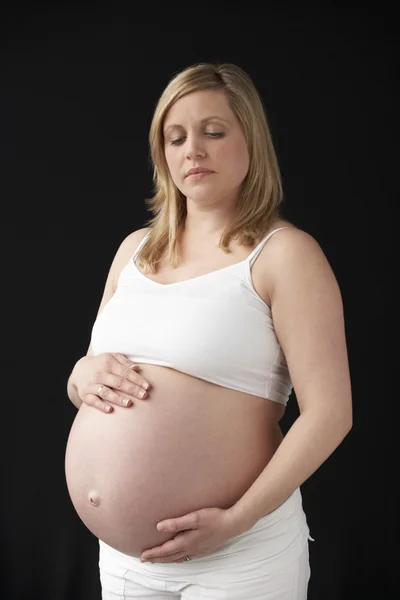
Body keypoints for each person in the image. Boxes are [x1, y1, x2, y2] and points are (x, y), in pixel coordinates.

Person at [65, 62, 352, 599]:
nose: (192, 150)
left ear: (252, 141)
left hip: (238, 557)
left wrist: (237, 519)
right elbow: (86, 382)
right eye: (176, 138)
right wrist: (81, 375)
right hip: (127, 563)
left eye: (213, 132)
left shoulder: (284, 256)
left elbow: (331, 413)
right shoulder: (134, 250)